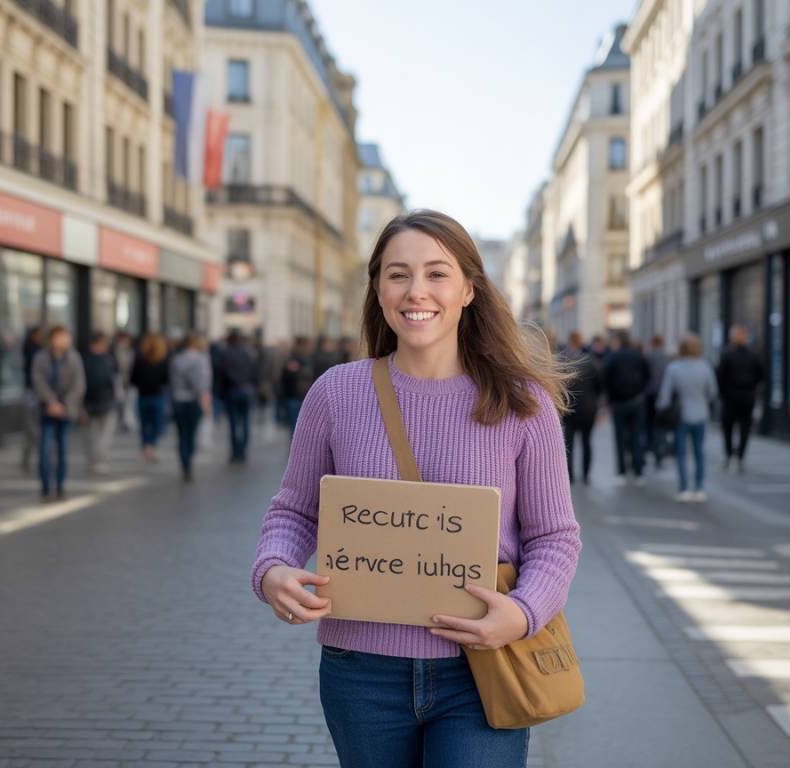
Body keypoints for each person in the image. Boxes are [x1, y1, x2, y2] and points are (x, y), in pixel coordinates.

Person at [251, 210, 581, 766]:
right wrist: (273, 569)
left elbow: (555, 537)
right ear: (378, 288)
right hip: (361, 674)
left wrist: (523, 613)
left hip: (480, 670)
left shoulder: (523, 404)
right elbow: (294, 511)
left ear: (469, 289)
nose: (416, 291)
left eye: (437, 273)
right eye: (398, 274)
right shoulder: (336, 394)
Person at [657, 334, 717, 502]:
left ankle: (683, 488)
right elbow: (712, 392)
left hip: (681, 415)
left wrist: (661, 412)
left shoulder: (674, 368)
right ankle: (699, 488)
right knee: (699, 452)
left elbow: (665, 397)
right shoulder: (705, 367)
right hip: (700, 414)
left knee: (681, 453)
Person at [31, 325, 85, 501]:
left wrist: (65, 404)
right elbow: (37, 380)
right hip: (47, 410)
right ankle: (45, 487)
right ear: (52, 338)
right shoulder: (41, 357)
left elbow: (79, 384)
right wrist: (51, 402)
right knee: (45, 450)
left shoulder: (74, 358)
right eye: (61, 336)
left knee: (63, 450)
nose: (64, 340)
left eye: (66, 337)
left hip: (66, 410)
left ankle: (60, 487)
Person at [603, 330, 650, 485]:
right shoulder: (638, 356)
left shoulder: (613, 357)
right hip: (636, 402)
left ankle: (621, 471)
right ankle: (639, 471)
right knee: (637, 436)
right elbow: (647, 376)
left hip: (618, 403)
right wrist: (641, 392)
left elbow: (606, 379)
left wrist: (609, 398)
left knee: (619, 437)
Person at [717, 324, 764, 472]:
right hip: (747, 396)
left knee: (728, 428)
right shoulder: (753, 354)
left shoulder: (727, 354)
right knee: (744, 428)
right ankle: (740, 457)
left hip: (730, 396)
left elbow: (720, 376)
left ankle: (730, 455)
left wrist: (723, 392)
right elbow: (761, 375)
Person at [169, 333, 213, 481]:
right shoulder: (201, 359)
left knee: (182, 434)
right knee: (192, 433)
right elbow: (202, 383)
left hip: (179, 400)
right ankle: (189, 461)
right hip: (194, 400)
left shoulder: (176, 359)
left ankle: (184, 462)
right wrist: (206, 402)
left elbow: (172, 382)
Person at [562, 330, 602, 484]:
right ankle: (586, 475)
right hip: (588, 409)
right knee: (587, 442)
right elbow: (599, 386)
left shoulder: (564, 361)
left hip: (570, 408)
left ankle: (570, 476)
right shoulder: (591, 362)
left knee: (569, 444)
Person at [216, 329, 257, 462]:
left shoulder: (225, 354)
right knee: (245, 422)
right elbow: (254, 372)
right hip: (246, 390)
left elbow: (221, 375)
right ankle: (243, 450)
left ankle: (235, 451)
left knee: (233, 423)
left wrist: (220, 393)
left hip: (232, 391)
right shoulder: (247, 353)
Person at [130, 332, 170, 462]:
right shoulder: (162, 359)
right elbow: (167, 379)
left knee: (146, 423)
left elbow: (133, 379)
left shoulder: (141, 358)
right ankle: (150, 446)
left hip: (145, 395)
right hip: (156, 395)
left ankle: (147, 446)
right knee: (156, 424)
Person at [82, 331, 117, 475]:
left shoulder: (87, 360)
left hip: (100, 402)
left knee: (96, 435)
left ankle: (96, 462)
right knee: (98, 435)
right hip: (98, 402)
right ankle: (97, 462)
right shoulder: (105, 361)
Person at [280, 336, 316, 437]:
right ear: (301, 346)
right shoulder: (294, 359)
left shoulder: (307, 359)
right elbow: (288, 378)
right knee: (296, 429)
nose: (310, 348)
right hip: (296, 397)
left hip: (303, 397)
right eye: (308, 345)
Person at [644, 334, 671, 468]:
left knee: (650, 424)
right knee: (661, 425)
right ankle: (660, 452)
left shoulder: (648, 357)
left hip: (649, 394)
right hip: (663, 395)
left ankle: (651, 448)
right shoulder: (667, 357)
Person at [20, 326, 42, 472]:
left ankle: (32, 457)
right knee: (32, 427)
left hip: (37, 392)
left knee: (34, 428)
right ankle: (31, 456)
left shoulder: (40, 350)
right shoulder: (33, 351)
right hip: (31, 391)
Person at [113, 331, 136, 433]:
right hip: (119, 380)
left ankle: (128, 422)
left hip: (129, 380)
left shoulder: (131, 351)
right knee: (120, 401)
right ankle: (122, 421)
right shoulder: (115, 351)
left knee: (129, 402)